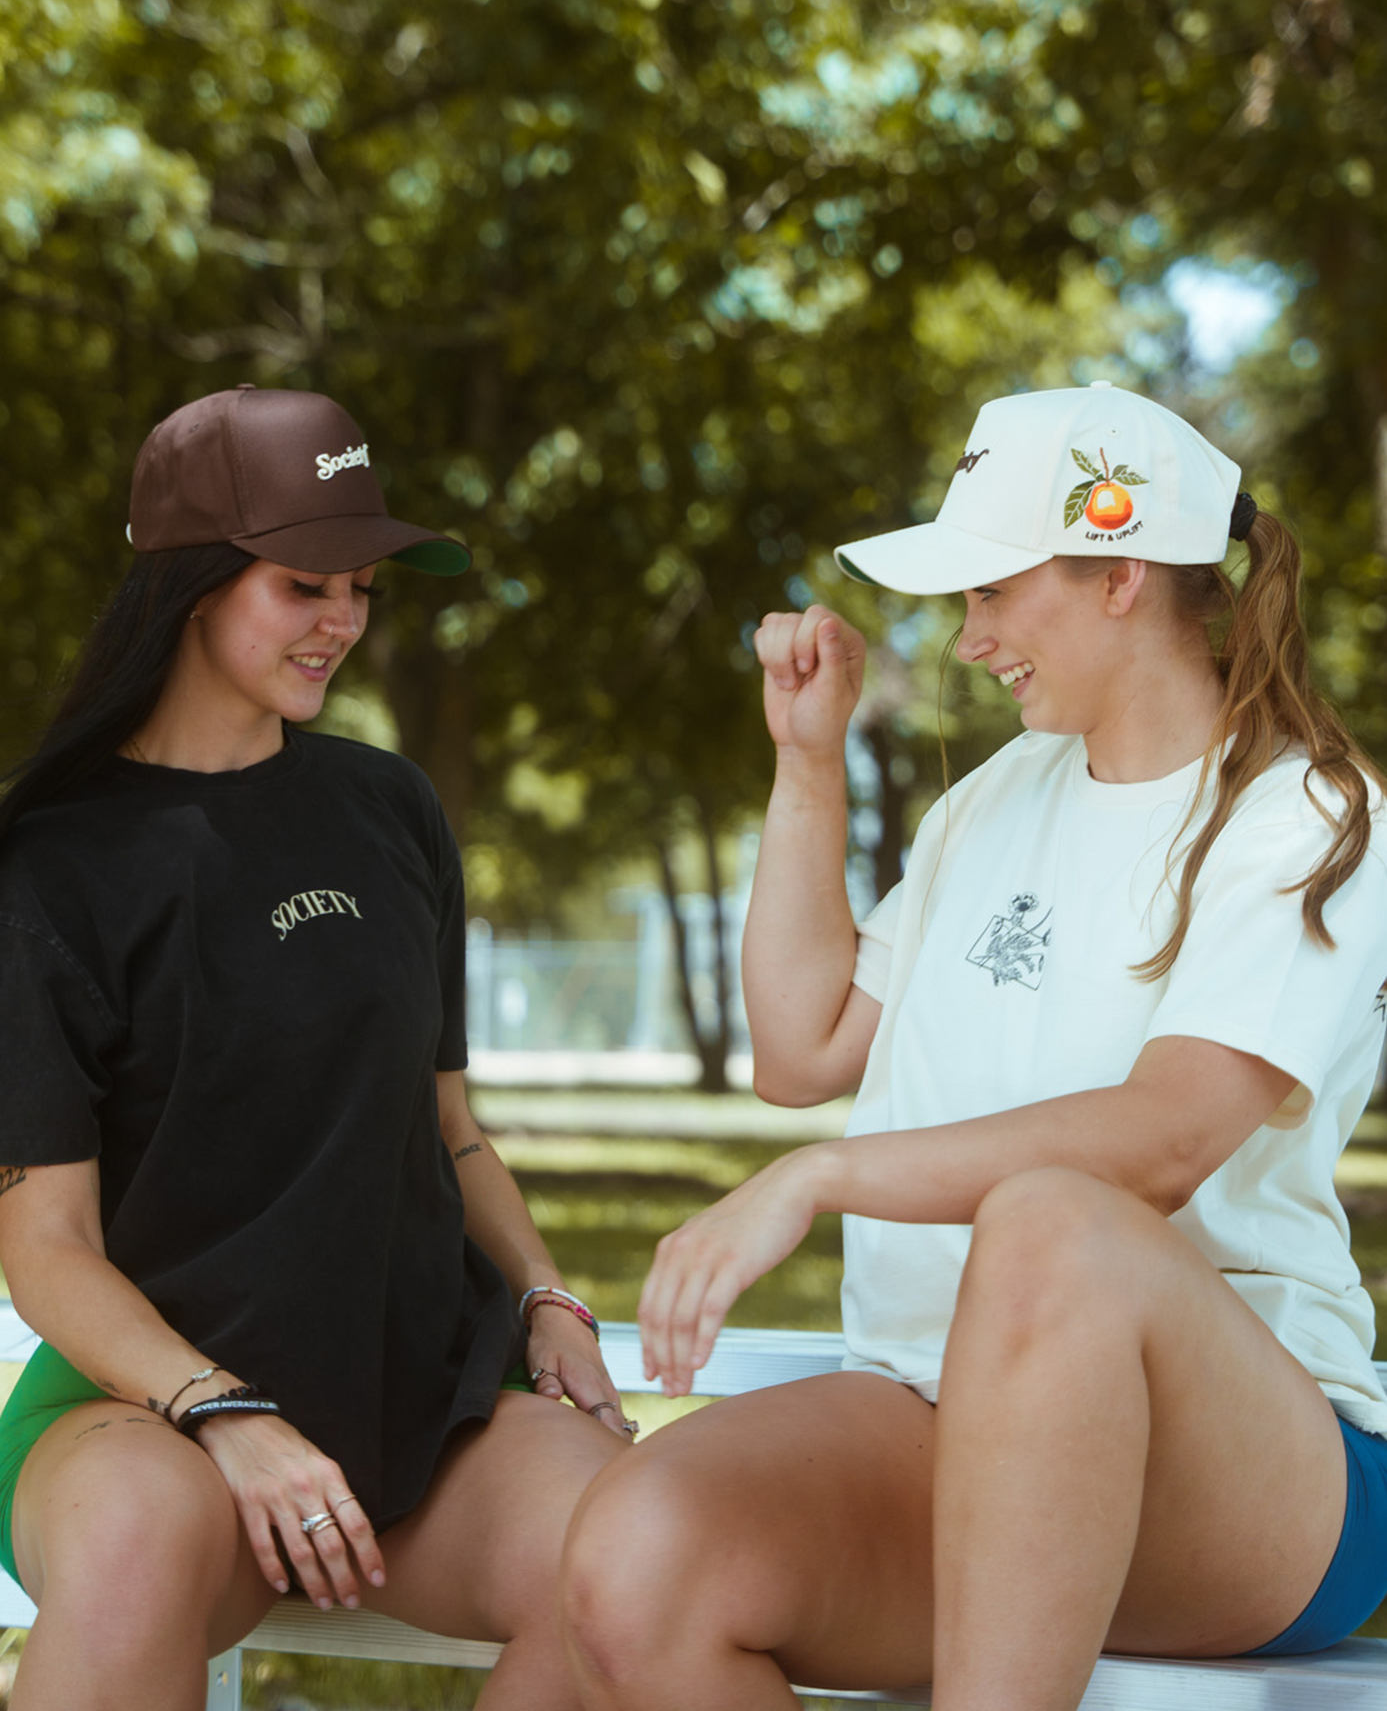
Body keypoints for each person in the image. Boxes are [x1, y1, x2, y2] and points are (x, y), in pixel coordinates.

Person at [562, 383, 1387, 1711]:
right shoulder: (991, 800)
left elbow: (1167, 1137)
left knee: (1054, 1221)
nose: (966, 641)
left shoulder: (1304, 814)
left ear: (1118, 573)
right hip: (936, 1420)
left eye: (991, 594)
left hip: (1253, 1484)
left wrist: (816, 1179)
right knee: (640, 1561)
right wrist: (805, 765)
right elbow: (802, 1046)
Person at [0, 386, 632, 1711]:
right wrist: (228, 1416)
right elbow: (43, 1244)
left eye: (361, 590)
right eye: (304, 586)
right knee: (128, 1554)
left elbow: (447, 1126)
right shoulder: (45, 871)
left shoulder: (389, 809)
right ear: (189, 585)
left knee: (637, 1565)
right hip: (152, 1413)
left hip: (420, 1411)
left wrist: (544, 1293)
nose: (343, 622)